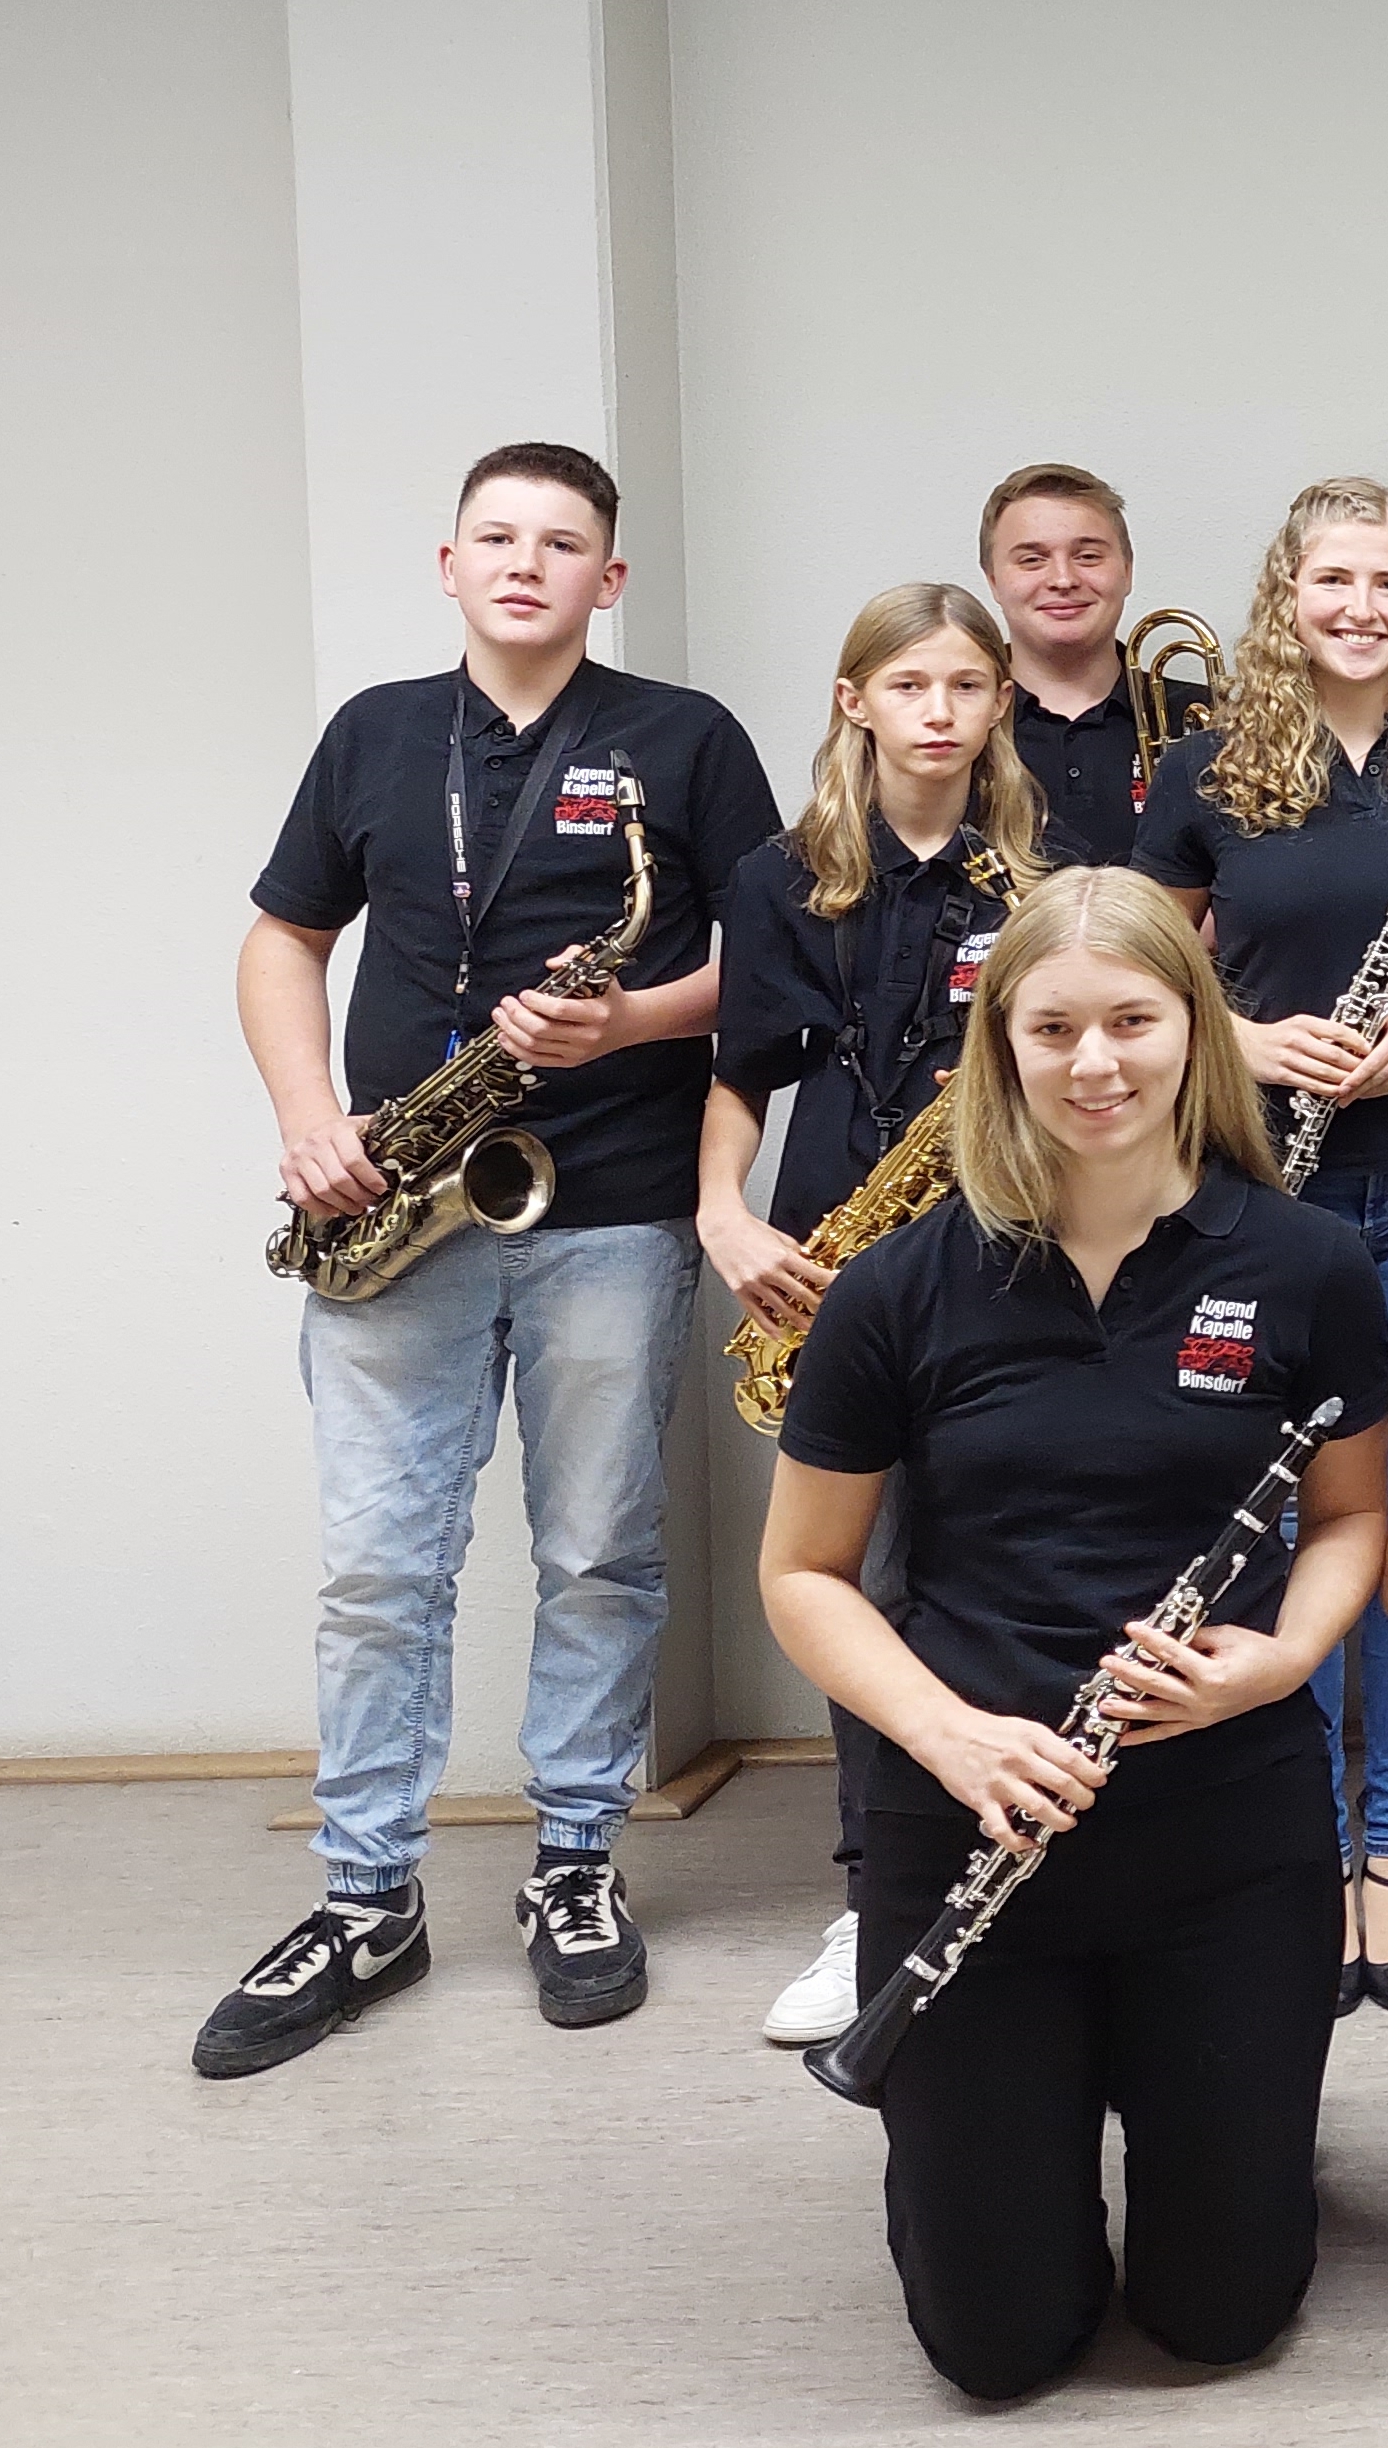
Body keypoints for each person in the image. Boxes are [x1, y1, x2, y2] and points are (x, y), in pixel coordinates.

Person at [761, 871, 1388, 2398]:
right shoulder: (896, 1290)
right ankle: (1030, 2116)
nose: (1095, 1062)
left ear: (1198, 1029)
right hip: (974, 1813)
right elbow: (803, 1575)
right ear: (1002, 1044)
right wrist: (951, 1734)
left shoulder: (1306, 1266)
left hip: (1223, 1829)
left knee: (1219, 2316)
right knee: (996, 2344)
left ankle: (1169, 2101)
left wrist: (1286, 1658)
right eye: (1053, 1028)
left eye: (1133, 1020)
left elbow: (1354, 1521)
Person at [203, 442, 781, 2081]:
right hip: (398, 1198)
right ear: (448, 561)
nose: (529, 562)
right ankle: (365, 1894)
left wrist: (635, 1014)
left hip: (604, 1200)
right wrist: (313, 1113)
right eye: (499, 536)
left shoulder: (684, 737)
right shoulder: (375, 734)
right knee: (378, 1565)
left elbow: (783, 952)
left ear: (608, 579)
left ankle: (577, 1864)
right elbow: (283, 936)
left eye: (567, 543)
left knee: (600, 1551)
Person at [1134, 476, 1388, 2017]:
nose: (1361, 608)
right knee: (1285, 1519)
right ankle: (1303, 1854)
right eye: (1333, 582)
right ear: (1285, 593)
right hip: (1268, 1184)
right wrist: (1249, 1043)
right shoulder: (1206, 765)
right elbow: (1150, 969)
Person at [704, 582, 1052, 2047]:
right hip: (825, 1255)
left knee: (970, 1563)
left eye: (968, 687)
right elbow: (740, 1074)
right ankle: (874, 1900)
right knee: (850, 1580)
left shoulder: (1032, 885)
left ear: (996, 709)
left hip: (992, 1248)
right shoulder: (779, 877)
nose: (939, 712)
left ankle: (1008, 1865)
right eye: (910, 685)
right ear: (855, 701)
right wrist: (727, 1221)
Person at [982, 463, 1197, 866]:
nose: (1063, 579)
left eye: (1088, 556)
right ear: (993, 579)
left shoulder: (1209, 720)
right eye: (1032, 560)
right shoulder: (957, 727)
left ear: (1127, 571)